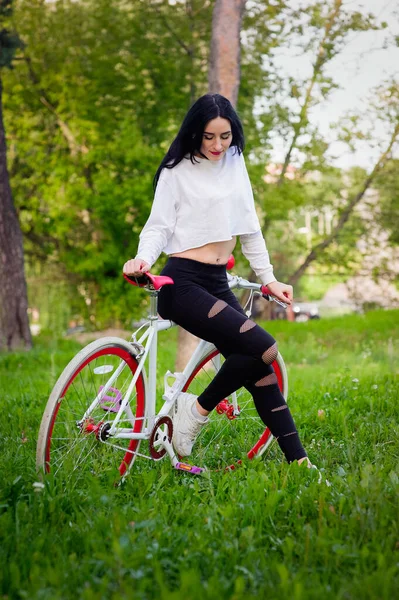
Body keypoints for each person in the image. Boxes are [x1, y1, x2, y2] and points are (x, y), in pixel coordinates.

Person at [123, 93, 313, 469]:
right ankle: (194, 413)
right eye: (208, 136)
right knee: (266, 347)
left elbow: (250, 228)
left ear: (233, 134)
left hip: (217, 280)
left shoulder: (235, 162)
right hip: (183, 283)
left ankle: (301, 464)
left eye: (224, 136)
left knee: (261, 373)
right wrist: (143, 259)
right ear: (195, 132)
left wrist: (270, 279)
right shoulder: (176, 171)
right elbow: (158, 227)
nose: (216, 145)